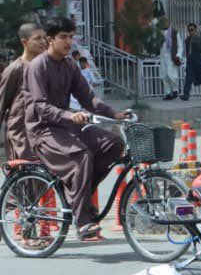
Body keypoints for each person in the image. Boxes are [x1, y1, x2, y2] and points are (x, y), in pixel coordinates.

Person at [25, 16, 129, 242]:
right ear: (50, 40)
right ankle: (82, 221)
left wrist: (114, 114)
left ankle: (78, 192)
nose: (68, 42)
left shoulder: (70, 65)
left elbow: (87, 98)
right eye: (63, 37)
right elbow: (41, 107)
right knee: (82, 156)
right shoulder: (38, 66)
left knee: (114, 144)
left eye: (71, 37)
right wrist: (70, 115)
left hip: (68, 127)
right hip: (44, 131)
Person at [0, 22, 48, 241]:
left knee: (39, 180)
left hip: (39, 130)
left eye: (44, 38)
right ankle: (29, 234)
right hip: (19, 131)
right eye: (37, 38)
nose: (43, 42)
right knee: (25, 178)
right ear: (24, 42)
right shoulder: (15, 69)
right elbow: (0, 103)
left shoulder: (43, 66)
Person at [181, 23, 201, 101]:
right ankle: (186, 95)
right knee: (188, 78)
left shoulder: (200, 39)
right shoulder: (187, 39)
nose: (190, 31)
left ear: (195, 30)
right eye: (189, 30)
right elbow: (187, 51)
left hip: (199, 62)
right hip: (190, 62)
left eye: (192, 30)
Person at [157, 17, 183, 100]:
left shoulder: (174, 32)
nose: (164, 24)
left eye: (166, 22)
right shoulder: (159, 33)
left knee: (170, 74)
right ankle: (167, 93)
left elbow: (180, 45)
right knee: (164, 75)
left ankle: (175, 90)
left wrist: (178, 55)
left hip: (172, 56)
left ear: (168, 23)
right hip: (162, 56)